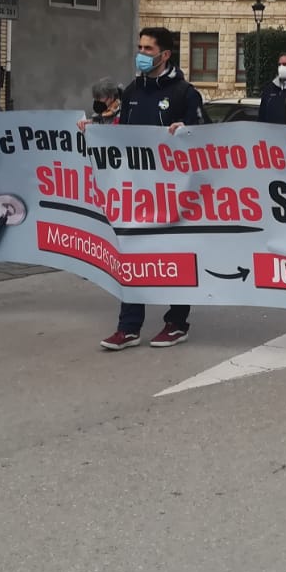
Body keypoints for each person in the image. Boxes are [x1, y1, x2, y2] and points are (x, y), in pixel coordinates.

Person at [87, 27, 205, 351]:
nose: (141, 52)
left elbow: (207, 136)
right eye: (139, 46)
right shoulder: (133, 90)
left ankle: (177, 321)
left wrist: (188, 132)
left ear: (165, 55)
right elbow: (122, 132)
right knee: (131, 253)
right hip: (136, 191)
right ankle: (128, 327)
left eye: (148, 48)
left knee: (174, 255)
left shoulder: (184, 92)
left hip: (173, 193)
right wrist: (94, 132)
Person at [258, 52, 286, 124]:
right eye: (279, 65)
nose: (281, 67)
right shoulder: (269, 89)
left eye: (285, 64)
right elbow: (261, 117)